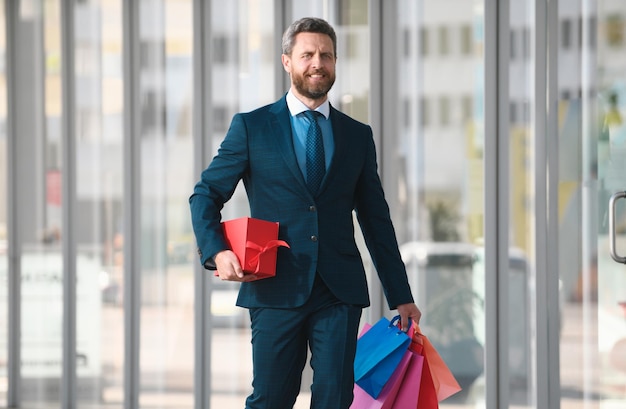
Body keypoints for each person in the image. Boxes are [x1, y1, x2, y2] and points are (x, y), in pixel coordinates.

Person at [189, 17, 421, 409]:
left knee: (334, 399)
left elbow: (376, 221)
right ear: (287, 62)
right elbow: (205, 195)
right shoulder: (252, 127)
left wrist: (401, 295)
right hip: (274, 286)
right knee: (271, 399)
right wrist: (217, 252)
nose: (318, 63)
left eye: (326, 55)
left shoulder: (356, 135)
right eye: (308, 54)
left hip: (339, 291)